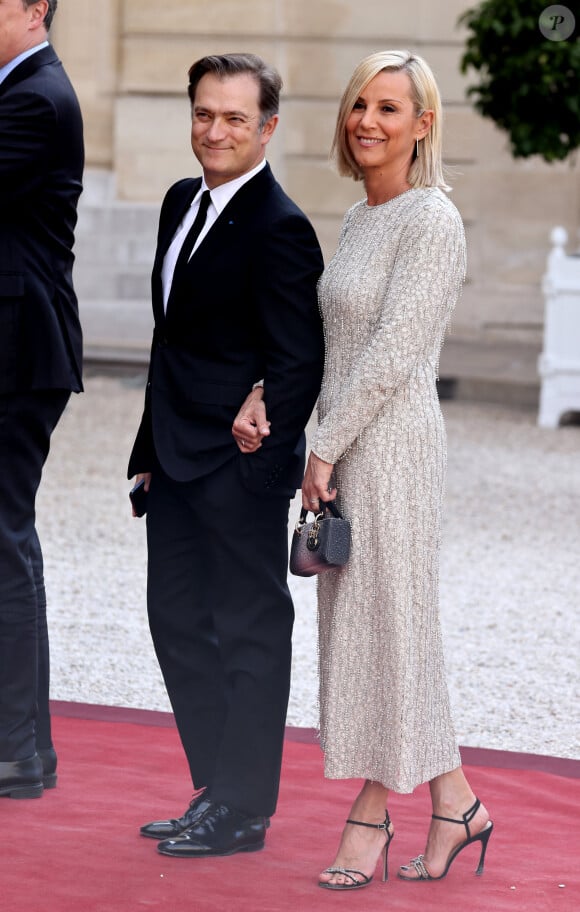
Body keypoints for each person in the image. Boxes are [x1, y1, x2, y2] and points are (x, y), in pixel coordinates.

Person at [233, 49, 493, 889]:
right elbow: (333, 342)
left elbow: (391, 357)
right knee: (381, 630)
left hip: (393, 448)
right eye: (360, 105)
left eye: (390, 108)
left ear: (423, 125)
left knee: (390, 629)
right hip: (343, 441)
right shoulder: (356, 217)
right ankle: (456, 806)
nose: (368, 121)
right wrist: (278, 395)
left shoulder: (431, 221)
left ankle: (371, 816)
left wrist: (324, 443)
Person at [128, 53, 324, 858]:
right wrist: (145, 449)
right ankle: (218, 786)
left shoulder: (281, 227)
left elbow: (300, 356)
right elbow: (168, 341)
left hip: (239, 466)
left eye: (235, 118)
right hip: (173, 458)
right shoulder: (182, 201)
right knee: (173, 617)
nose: (215, 130)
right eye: (205, 114)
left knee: (247, 629)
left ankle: (244, 810)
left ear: (268, 127)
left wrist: (265, 411)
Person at [0, 0, 84, 799]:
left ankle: (18, 749)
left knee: (5, 539)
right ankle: (21, 744)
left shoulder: (35, 97)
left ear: (33, 9)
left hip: (18, 353)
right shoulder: (17, 88)